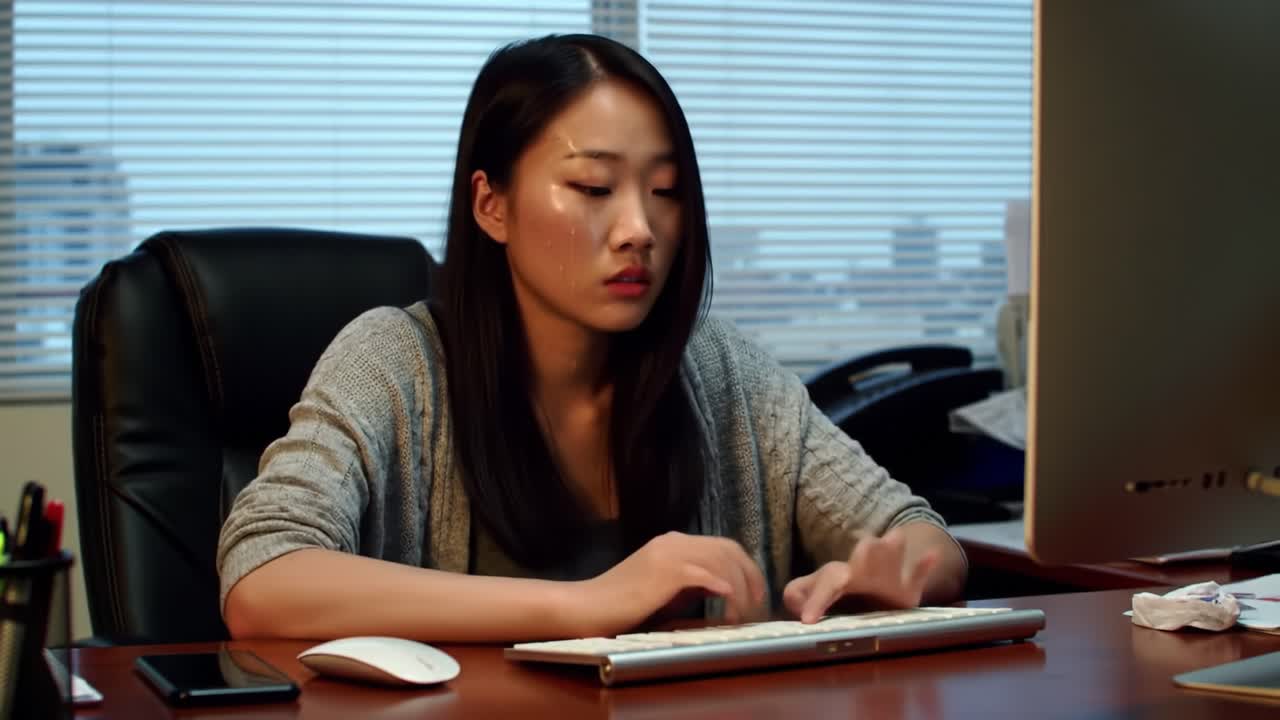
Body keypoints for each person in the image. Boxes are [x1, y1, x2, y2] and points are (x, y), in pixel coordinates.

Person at [217, 33, 967, 643]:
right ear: (492, 206)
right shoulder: (395, 363)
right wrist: (587, 605)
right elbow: (263, 577)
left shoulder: (721, 370)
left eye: (665, 192)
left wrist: (900, 570)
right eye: (594, 189)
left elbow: (923, 539)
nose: (640, 229)